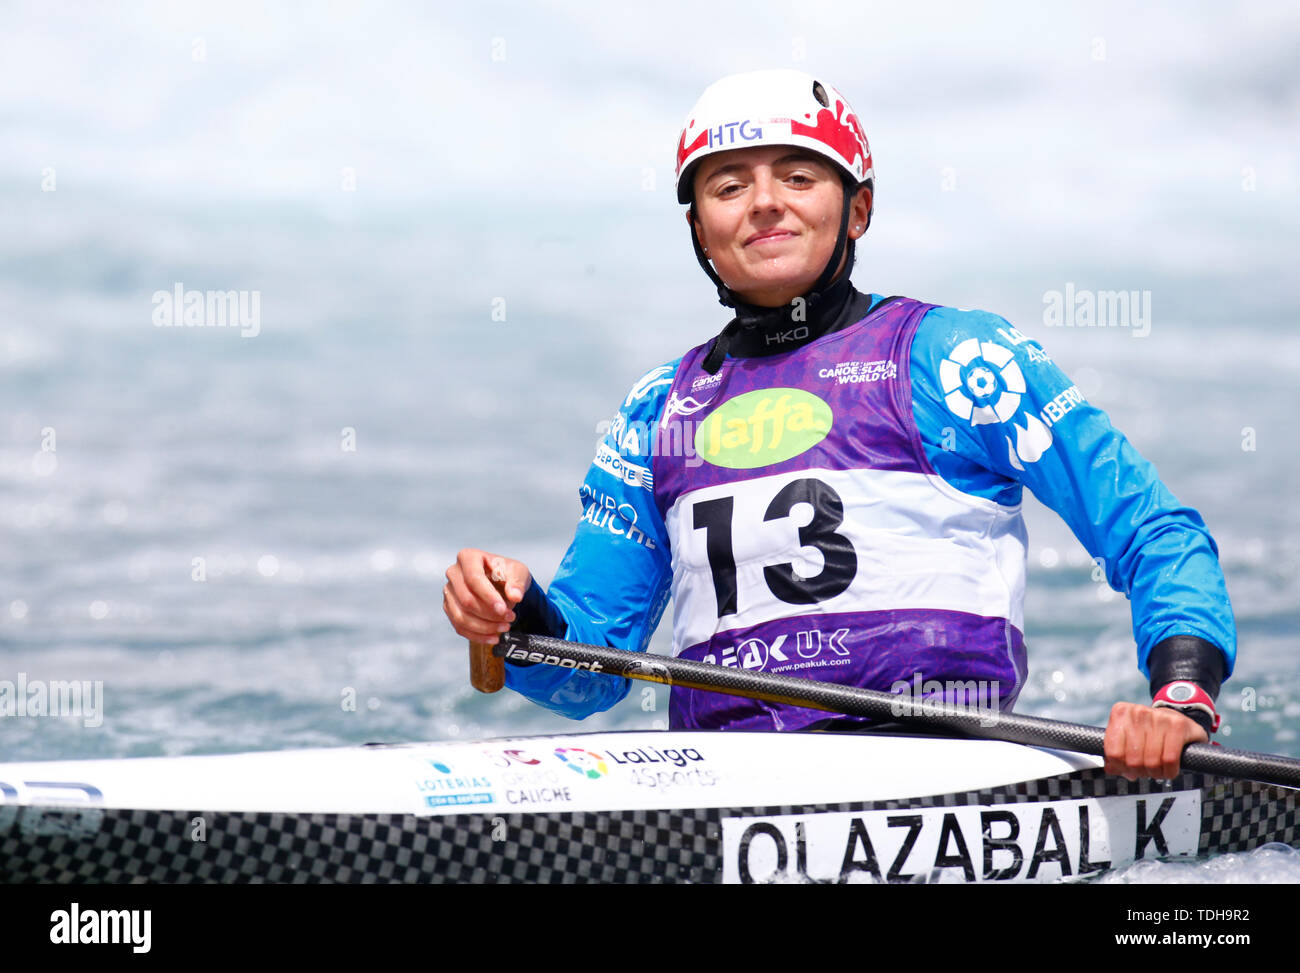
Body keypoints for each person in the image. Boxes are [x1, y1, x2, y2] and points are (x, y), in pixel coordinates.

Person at [443, 69, 1234, 781]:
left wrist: (1180, 698)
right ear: (698, 231)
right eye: (727, 187)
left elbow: (1151, 530)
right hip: (727, 781)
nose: (764, 203)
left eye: (796, 176)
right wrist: (517, 617)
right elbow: (590, 674)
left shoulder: (959, 359)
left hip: (945, 770)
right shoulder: (658, 412)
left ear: (857, 209)